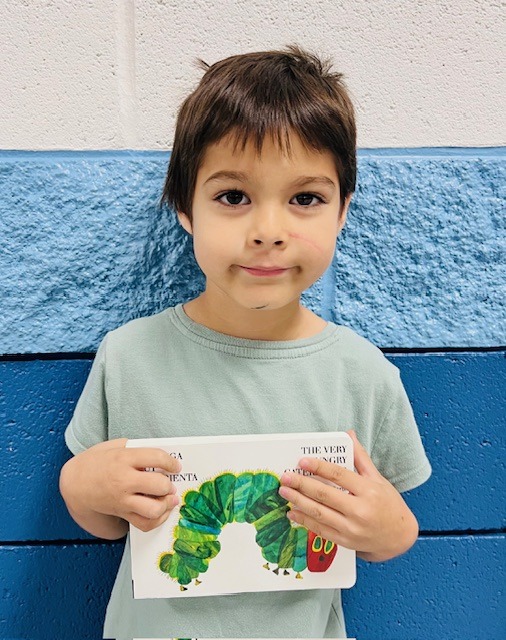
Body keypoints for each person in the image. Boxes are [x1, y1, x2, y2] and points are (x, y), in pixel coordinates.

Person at [59, 45, 431, 639]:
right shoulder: (128, 357)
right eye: (233, 197)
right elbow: (104, 523)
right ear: (185, 205)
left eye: (305, 199)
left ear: (341, 213)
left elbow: (393, 534)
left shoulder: (364, 374)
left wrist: (387, 530)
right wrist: (79, 485)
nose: (267, 233)